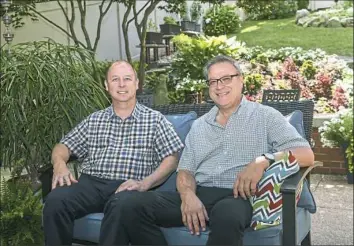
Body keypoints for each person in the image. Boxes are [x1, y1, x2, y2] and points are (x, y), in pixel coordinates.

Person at [108, 55, 315, 246]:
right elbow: (185, 170)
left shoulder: (266, 116)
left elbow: (306, 154)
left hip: (238, 196)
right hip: (201, 193)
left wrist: (263, 160)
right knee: (126, 203)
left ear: (241, 80)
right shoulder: (199, 125)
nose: (219, 86)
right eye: (213, 81)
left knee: (226, 215)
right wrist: (188, 195)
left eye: (226, 78)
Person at [42, 60, 184, 246]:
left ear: (137, 83)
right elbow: (62, 147)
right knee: (55, 201)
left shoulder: (155, 120)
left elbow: (172, 158)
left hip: (128, 187)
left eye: (127, 78)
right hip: (90, 183)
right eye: (115, 79)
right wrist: (60, 165)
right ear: (106, 86)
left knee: (120, 206)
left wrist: (145, 183)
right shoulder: (95, 119)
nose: (122, 84)